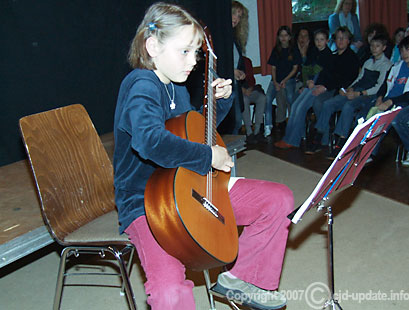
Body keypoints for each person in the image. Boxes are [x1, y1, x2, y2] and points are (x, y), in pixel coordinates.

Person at [113, 3, 294, 310]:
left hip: (188, 183)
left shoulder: (176, 87)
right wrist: (208, 156)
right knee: (170, 292)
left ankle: (240, 280)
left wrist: (217, 103)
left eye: (196, 53)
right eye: (185, 51)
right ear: (153, 46)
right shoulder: (141, 84)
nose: (193, 61)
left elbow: (190, 130)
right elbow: (150, 140)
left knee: (278, 200)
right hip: (147, 200)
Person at [306, 34, 392, 158]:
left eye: (377, 46)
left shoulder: (386, 65)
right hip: (355, 91)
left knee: (348, 106)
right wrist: (348, 89)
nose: (374, 48)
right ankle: (319, 137)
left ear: (384, 48)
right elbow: (359, 78)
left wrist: (359, 93)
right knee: (328, 103)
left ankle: (341, 142)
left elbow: (380, 86)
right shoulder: (368, 62)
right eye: (372, 46)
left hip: (367, 95)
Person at [274, 28, 334, 149]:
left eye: (322, 40)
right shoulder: (313, 52)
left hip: (319, 87)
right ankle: (288, 138)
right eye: (317, 40)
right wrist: (306, 82)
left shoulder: (328, 55)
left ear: (327, 41)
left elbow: (323, 74)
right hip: (310, 85)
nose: (319, 42)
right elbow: (306, 69)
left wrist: (312, 83)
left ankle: (292, 140)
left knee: (300, 108)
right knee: (295, 106)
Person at [365, 35, 409, 161]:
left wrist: (391, 102)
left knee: (395, 119)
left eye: (407, 49)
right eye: (402, 50)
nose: (404, 54)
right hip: (388, 101)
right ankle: (366, 153)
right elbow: (385, 85)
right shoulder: (396, 66)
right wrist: (380, 97)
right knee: (367, 116)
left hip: (406, 103)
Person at [264, 26, 301, 137]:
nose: (283, 38)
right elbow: (273, 68)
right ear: (278, 37)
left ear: (289, 37)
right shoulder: (276, 50)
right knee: (268, 98)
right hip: (276, 80)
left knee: (290, 97)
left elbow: (295, 68)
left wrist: (284, 80)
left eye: (286, 35)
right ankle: (268, 125)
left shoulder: (294, 50)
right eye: (281, 36)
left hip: (289, 79)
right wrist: (275, 82)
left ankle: (294, 124)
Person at [231, 0, 248, 134]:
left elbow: (238, 62)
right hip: (223, 85)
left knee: (237, 121)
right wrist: (232, 71)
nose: (236, 18)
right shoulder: (220, 35)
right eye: (234, 14)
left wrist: (241, 73)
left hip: (235, 84)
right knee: (232, 122)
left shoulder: (235, 38)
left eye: (239, 16)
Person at [241, 56, 266, 144]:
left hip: (249, 89)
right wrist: (242, 90)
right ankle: (249, 132)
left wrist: (250, 89)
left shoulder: (247, 61)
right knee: (244, 100)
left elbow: (251, 79)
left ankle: (257, 130)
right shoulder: (230, 61)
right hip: (239, 91)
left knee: (262, 98)